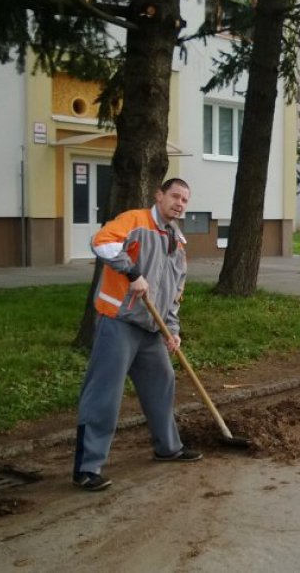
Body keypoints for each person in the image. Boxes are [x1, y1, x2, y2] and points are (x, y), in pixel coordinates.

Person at [72, 177, 202, 492]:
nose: (179, 203)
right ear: (159, 196)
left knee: (162, 383)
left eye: (185, 200)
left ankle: (168, 447)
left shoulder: (177, 242)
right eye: (174, 196)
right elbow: (102, 242)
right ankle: (87, 468)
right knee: (104, 394)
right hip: (119, 321)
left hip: (150, 329)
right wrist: (132, 272)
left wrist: (172, 329)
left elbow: (175, 292)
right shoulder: (135, 221)